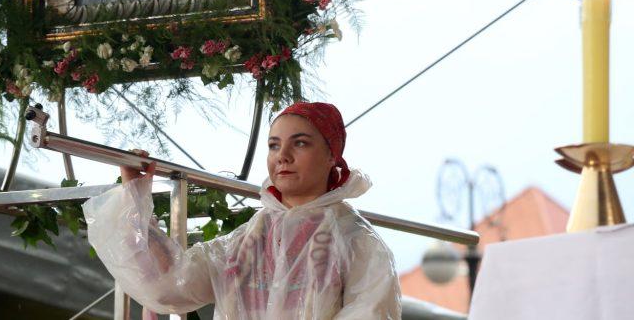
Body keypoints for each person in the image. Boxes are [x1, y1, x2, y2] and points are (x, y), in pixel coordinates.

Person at [83, 102, 401, 319]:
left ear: (332, 155)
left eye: (300, 143)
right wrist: (134, 200)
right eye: (274, 145)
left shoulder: (357, 243)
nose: (283, 156)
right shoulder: (248, 240)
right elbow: (169, 285)